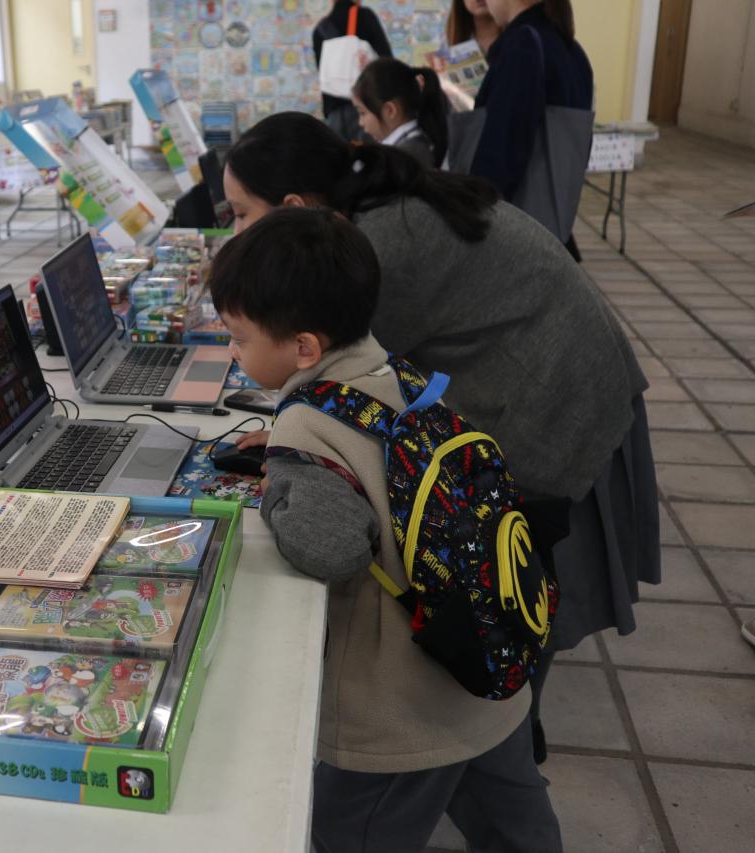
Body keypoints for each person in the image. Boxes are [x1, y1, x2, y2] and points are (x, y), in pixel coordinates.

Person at [223, 112, 660, 763]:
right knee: (497, 587)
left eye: (239, 213)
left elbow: (345, 385)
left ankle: (499, 720)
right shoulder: (366, 220)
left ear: (291, 208)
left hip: (558, 403)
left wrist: (300, 451)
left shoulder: (369, 249)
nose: (234, 231)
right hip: (552, 378)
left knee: (498, 579)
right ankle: (501, 729)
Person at [210, 208, 562, 853]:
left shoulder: (305, 425)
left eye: (238, 338)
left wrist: (278, 489)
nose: (232, 352)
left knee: (349, 834)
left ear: (304, 349)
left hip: (403, 706)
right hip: (489, 664)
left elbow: (332, 550)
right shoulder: (402, 375)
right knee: (514, 824)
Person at [470, 0, 592, 256]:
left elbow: (501, 149)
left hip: (514, 231)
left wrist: (470, 210)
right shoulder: (572, 49)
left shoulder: (524, 45)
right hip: (553, 229)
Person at [311, 0, 392, 141]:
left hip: (334, 111)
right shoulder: (365, 16)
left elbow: (324, 73)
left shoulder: (320, 29)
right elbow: (387, 61)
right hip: (365, 108)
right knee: (370, 153)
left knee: (338, 154)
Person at [351, 58, 448, 168]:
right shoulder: (411, 145)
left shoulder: (406, 157)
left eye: (362, 113)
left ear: (390, 111)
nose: (360, 122)